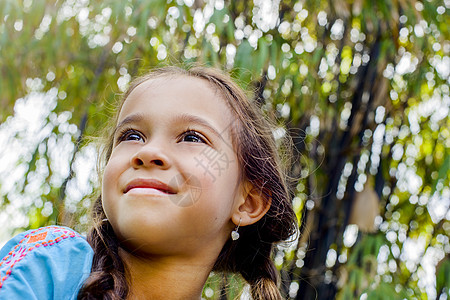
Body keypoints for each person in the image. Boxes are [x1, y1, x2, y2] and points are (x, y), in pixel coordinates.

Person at [0, 66, 297, 299]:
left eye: (191, 137)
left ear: (247, 202)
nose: (148, 152)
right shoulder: (49, 265)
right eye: (131, 136)